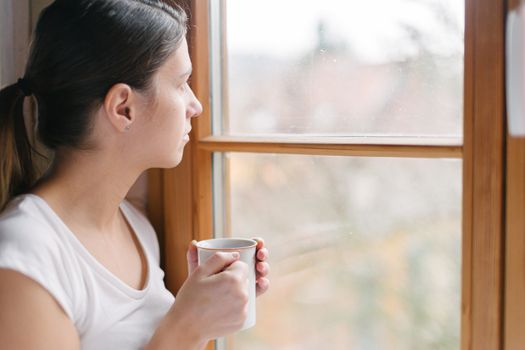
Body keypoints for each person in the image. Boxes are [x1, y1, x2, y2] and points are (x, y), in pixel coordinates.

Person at [0, 0, 270, 349]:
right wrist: (187, 326)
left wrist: (208, 307)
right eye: (181, 83)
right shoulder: (24, 260)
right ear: (123, 108)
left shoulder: (136, 229)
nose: (196, 105)